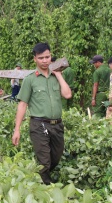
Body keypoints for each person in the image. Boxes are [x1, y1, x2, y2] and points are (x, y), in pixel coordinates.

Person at [12, 43, 72, 185]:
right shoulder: (30, 79)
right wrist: (17, 129)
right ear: (35, 59)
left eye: (47, 57)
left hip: (57, 125)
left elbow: (68, 94)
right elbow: (22, 104)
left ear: (51, 57)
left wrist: (58, 75)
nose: (45, 61)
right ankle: (47, 189)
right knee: (44, 161)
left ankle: (37, 179)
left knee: (56, 157)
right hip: (39, 125)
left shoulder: (56, 77)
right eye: (41, 58)